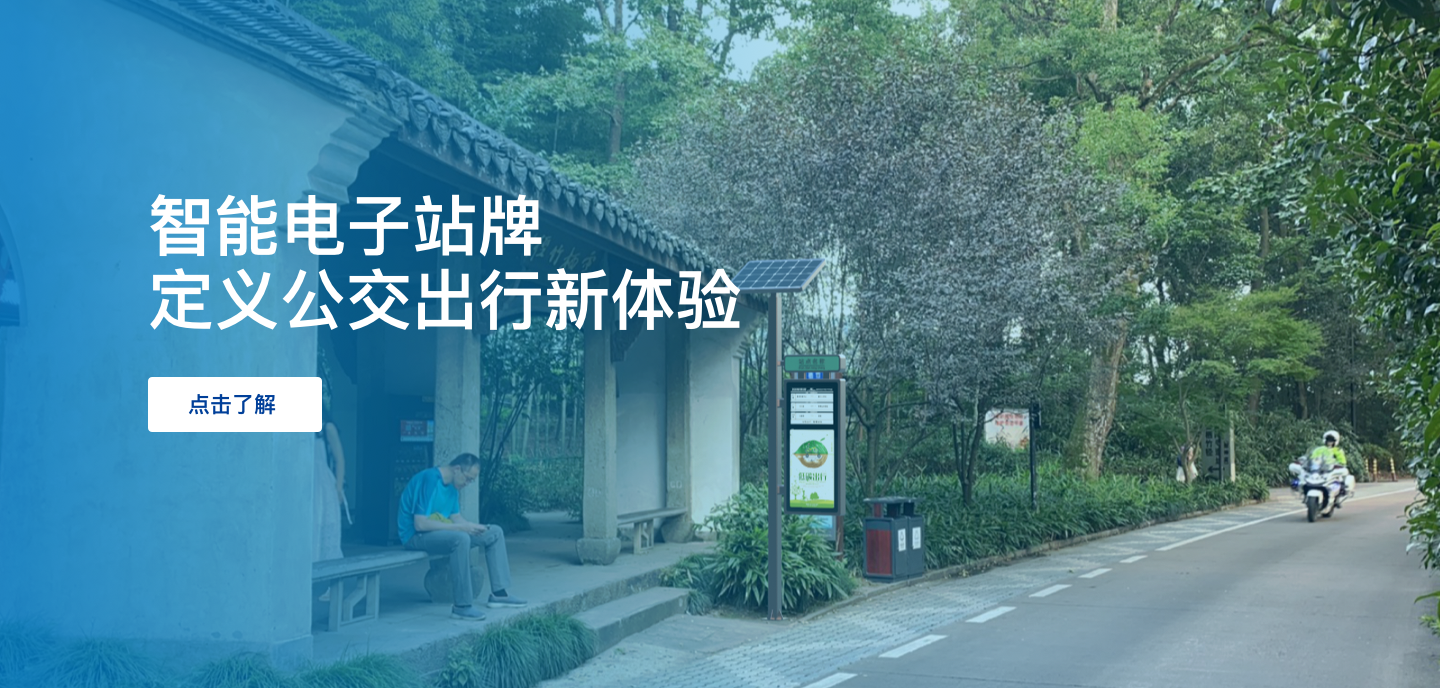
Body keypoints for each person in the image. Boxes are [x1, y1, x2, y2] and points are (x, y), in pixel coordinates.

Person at [398, 453, 527, 620]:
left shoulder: (453, 488)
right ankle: (462, 606)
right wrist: (460, 528)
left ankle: (499, 594)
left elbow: (456, 518)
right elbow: (420, 524)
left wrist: (472, 527)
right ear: (457, 469)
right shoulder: (430, 479)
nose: (467, 483)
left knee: (494, 532)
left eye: (471, 481)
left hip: (438, 534)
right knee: (461, 538)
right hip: (415, 536)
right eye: (468, 479)